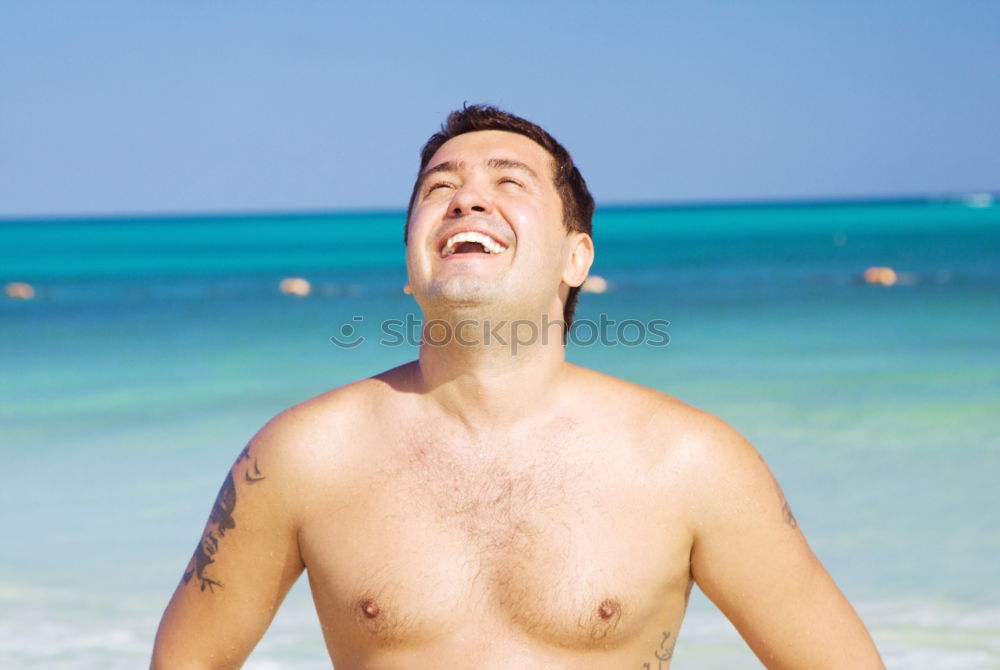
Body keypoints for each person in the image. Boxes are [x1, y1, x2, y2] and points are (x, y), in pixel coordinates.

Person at [151, 105, 885, 669]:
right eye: (441, 187)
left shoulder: (688, 460)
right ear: (410, 261)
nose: (467, 200)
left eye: (508, 182)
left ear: (576, 256)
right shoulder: (302, 455)